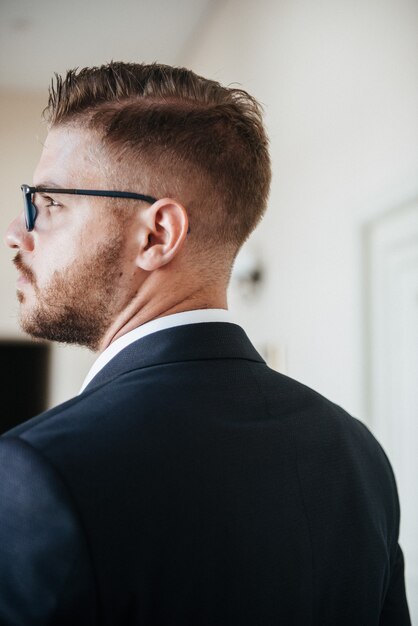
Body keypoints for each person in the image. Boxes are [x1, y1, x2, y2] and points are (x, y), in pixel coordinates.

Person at [0, 62, 410, 625]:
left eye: (49, 205)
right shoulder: (356, 452)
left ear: (157, 235)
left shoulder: (34, 470)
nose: (17, 234)